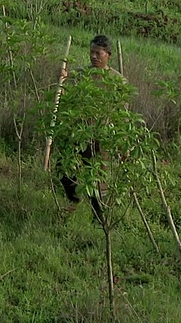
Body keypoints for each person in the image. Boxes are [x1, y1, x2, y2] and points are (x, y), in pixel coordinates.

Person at [56, 35, 127, 223]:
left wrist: (124, 144)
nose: (94, 56)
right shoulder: (80, 74)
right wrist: (62, 81)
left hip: (101, 137)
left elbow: (122, 114)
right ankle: (74, 200)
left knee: (95, 177)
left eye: (98, 53)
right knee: (63, 169)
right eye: (91, 53)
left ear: (108, 55)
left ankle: (99, 219)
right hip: (78, 134)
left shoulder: (117, 81)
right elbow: (66, 98)